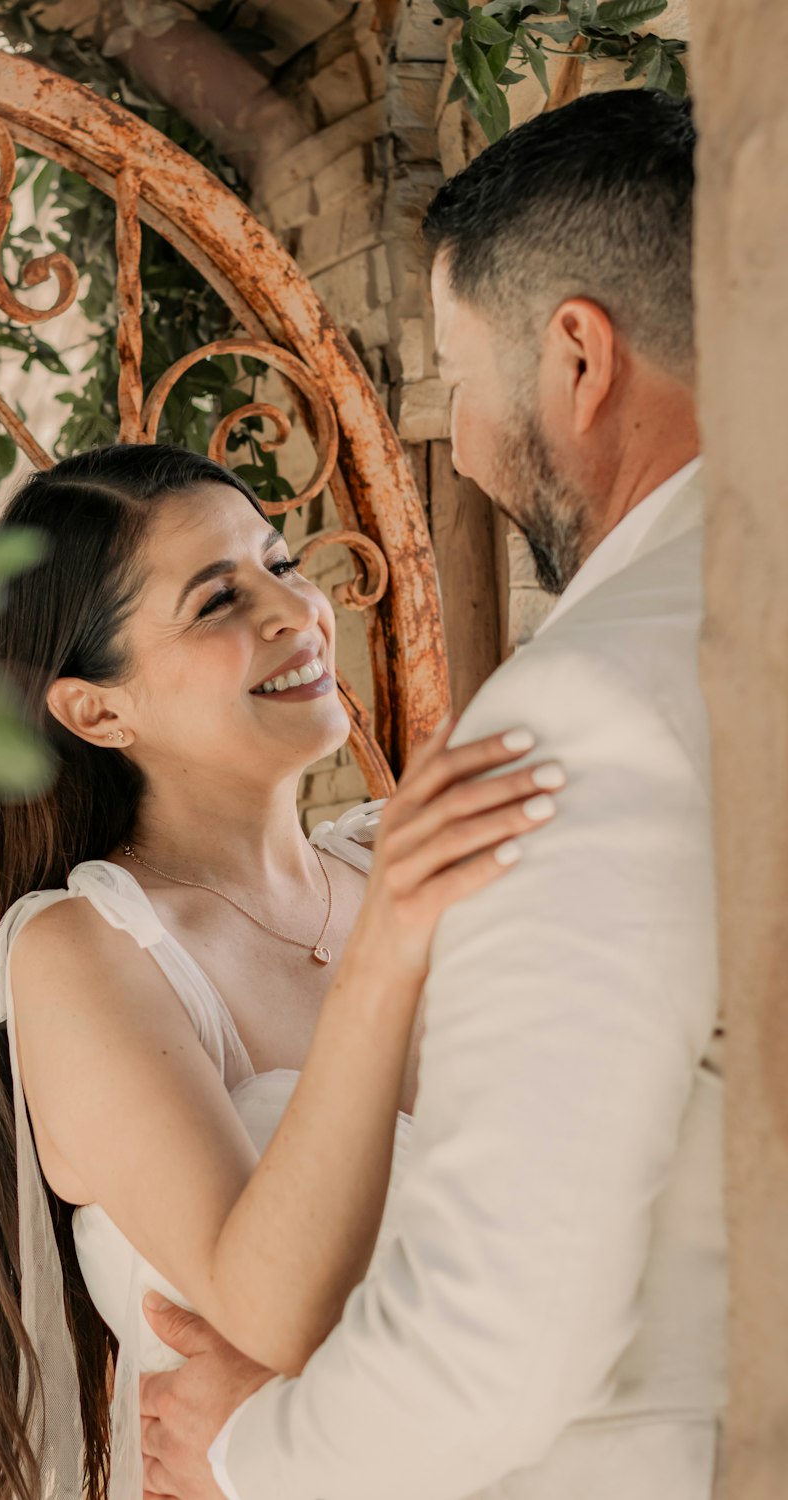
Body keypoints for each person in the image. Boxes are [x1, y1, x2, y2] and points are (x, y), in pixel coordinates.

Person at [138, 89, 725, 1500]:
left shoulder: (592, 712)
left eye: (461, 374)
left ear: (579, 355)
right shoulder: (88, 954)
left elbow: (501, 1329)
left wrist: (252, 1454)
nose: (460, 440)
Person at [0, 442, 561, 1500]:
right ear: (97, 711)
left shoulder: (397, 861)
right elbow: (273, 1315)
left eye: (280, 564)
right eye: (215, 602)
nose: (295, 612)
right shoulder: (85, 953)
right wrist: (386, 957)